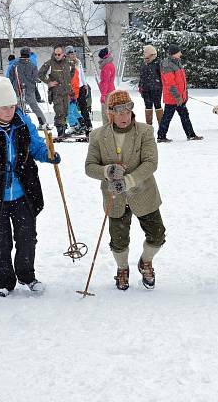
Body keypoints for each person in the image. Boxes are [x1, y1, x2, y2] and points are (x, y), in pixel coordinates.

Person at [0, 77, 61, 297]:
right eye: (4, 107)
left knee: (27, 238)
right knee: (1, 242)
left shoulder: (23, 122)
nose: (9, 111)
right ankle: (4, 282)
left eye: (12, 106)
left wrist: (48, 155)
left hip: (22, 193)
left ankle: (27, 275)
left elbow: (35, 147)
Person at [85, 90, 164, 290]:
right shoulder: (98, 135)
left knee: (157, 235)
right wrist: (108, 170)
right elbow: (90, 167)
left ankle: (146, 261)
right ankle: (122, 268)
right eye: (119, 112)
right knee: (119, 241)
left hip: (144, 193)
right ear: (111, 113)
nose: (124, 116)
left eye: (128, 111)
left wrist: (128, 181)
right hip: (114, 197)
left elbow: (151, 163)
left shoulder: (145, 131)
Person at [157, 45, 203, 142]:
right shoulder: (167, 65)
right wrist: (177, 96)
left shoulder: (177, 62)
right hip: (172, 97)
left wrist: (184, 94)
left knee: (184, 115)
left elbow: (181, 82)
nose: (181, 54)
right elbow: (170, 83)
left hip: (180, 97)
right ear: (174, 53)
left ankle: (191, 135)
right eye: (179, 52)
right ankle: (161, 137)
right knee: (167, 117)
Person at [8, 47, 48, 130]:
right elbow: (36, 77)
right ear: (29, 54)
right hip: (29, 89)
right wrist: (38, 81)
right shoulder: (32, 65)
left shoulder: (15, 64)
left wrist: (12, 85)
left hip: (18, 88)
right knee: (34, 107)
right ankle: (43, 123)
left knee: (19, 107)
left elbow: (11, 77)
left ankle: (19, 124)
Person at [39, 45, 75, 137]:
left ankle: (64, 129)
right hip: (56, 92)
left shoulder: (69, 62)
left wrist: (68, 84)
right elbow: (40, 74)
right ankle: (60, 131)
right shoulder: (50, 63)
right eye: (55, 54)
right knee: (59, 111)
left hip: (66, 92)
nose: (57, 56)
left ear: (63, 54)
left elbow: (72, 73)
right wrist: (49, 82)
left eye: (59, 54)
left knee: (66, 111)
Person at [65, 46, 92, 136]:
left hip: (80, 88)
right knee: (74, 109)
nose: (73, 55)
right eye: (71, 53)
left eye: (74, 53)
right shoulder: (66, 64)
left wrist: (85, 84)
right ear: (67, 55)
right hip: (72, 89)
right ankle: (80, 124)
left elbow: (81, 75)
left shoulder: (78, 62)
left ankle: (86, 125)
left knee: (82, 108)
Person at [138, 45, 163, 126]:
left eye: (145, 52)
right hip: (145, 90)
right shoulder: (144, 63)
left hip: (156, 89)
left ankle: (161, 127)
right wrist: (140, 86)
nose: (144, 54)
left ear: (150, 53)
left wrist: (160, 85)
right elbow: (141, 76)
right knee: (148, 107)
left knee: (158, 106)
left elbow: (162, 76)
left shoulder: (158, 63)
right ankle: (149, 127)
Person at [97, 47, 116, 126]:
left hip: (107, 93)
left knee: (106, 114)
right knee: (111, 112)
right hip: (111, 90)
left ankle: (107, 131)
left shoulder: (106, 67)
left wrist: (103, 95)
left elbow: (105, 81)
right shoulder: (110, 64)